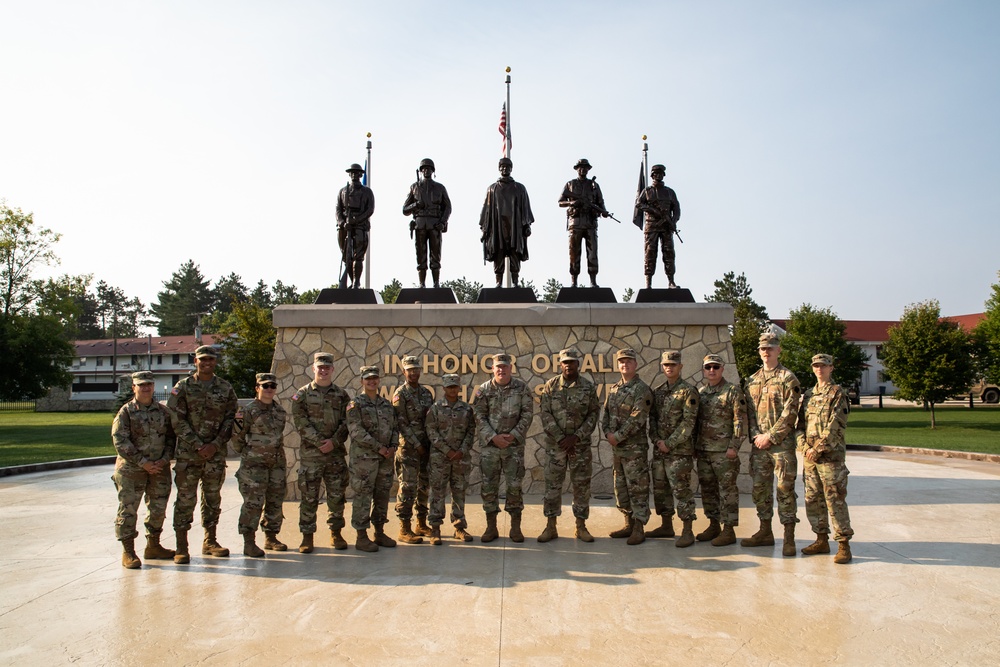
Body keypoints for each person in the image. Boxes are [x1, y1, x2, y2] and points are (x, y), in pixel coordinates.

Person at [168, 345, 238, 564]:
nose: (207, 362)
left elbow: (230, 419)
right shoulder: (183, 388)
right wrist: (199, 444)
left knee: (212, 499)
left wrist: (215, 445)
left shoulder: (225, 388)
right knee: (185, 499)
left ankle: (210, 541)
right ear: (195, 361)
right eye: (202, 359)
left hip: (215, 455)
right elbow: (176, 420)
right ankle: (181, 546)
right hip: (189, 455)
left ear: (215, 361)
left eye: (210, 359)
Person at [743, 332, 802, 557]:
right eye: (763, 349)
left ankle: (789, 537)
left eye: (771, 348)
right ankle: (765, 531)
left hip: (781, 445)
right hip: (759, 446)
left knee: (784, 490)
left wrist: (771, 436)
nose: (766, 352)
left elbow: (791, 412)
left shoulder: (788, 378)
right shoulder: (752, 379)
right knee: (760, 489)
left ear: (778, 351)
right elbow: (748, 412)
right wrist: (757, 436)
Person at [111, 371, 176, 569]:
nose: (146, 388)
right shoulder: (126, 412)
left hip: (158, 469)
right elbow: (120, 440)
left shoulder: (163, 412)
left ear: (153, 386)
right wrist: (143, 462)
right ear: (134, 388)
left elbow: (171, 439)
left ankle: (153, 546)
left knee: (158, 509)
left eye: (148, 384)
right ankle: (128, 551)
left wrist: (164, 460)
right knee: (128, 510)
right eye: (141, 385)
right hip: (131, 470)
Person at [795, 354, 854, 564]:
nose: (820, 368)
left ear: (831, 368)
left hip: (830, 458)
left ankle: (843, 544)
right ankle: (821, 539)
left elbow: (836, 426)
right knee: (813, 500)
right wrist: (804, 447)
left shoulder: (837, 393)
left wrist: (817, 449)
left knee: (834, 499)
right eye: (816, 365)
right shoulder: (809, 394)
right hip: (810, 458)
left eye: (824, 365)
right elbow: (799, 425)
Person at [537, 347, 601, 542]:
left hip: (579, 448)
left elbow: (593, 414)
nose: (568, 365)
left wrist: (577, 437)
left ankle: (581, 527)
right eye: (565, 362)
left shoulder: (588, 387)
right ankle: (550, 526)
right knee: (552, 487)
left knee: (581, 486)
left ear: (577, 364)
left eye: (571, 362)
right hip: (556, 448)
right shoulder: (550, 386)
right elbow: (545, 414)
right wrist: (562, 439)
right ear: (560, 364)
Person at [290, 352, 352, 553]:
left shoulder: (342, 395)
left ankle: (336, 533)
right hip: (312, 456)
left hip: (334, 456)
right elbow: (300, 422)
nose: (323, 370)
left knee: (336, 496)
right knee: (309, 497)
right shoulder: (302, 394)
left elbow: (347, 422)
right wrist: (319, 442)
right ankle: (307, 537)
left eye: (327, 367)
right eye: (320, 367)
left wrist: (333, 442)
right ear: (313, 369)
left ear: (333, 369)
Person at [472, 352, 534, 543]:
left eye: (504, 366)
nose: (501, 369)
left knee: (514, 487)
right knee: (489, 487)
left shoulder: (521, 389)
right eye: (498, 366)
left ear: (510, 368)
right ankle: (491, 527)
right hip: (490, 448)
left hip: (513, 447)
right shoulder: (483, 390)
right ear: (492, 368)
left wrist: (513, 435)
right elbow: (478, 415)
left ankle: (515, 528)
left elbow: (527, 414)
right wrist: (493, 437)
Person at [647, 350, 700, 547]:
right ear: (662, 367)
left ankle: (687, 530)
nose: (669, 367)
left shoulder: (688, 391)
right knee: (661, 490)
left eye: (673, 364)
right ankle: (666, 525)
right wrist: (656, 439)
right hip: (660, 451)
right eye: (666, 364)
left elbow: (688, 423)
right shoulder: (658, 391)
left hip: (679, 452)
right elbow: (651, 418)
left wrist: (669, 443)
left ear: (681, 367)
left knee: (681, 490)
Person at [231, 373, 287, 558]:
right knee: (253, 503)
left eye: (272, 385)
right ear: (257, 388)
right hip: (254, 467)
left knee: (275, 501)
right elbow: (237, 438)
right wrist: (251, 453)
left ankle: (271, 537)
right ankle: (249, 542)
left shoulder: (279, 412)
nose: (269, 389)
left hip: (276, 464)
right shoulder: (247, 411)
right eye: (265, 386)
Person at [694, 353, 747, 547]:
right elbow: (696, 422)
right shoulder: (701, 393)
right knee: (708, 490)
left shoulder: (732, 391)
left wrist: (734, 446)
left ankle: (729, 530)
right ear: (704, 370)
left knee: (727, 491)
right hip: (704, 451)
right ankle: (713, 524)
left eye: (716, 367)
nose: (712, 371)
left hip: (724, 452)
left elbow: (740, 421)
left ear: (722, 369)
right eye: (708, 367)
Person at [602, 348, 653, 545]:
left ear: (636, 364)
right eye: (622, 362)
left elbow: (638, 417)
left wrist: (618, 436)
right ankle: (628, 523)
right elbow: (605, 414)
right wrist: (608, 433)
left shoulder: (642, 389)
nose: (625, 364)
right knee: (621, 487)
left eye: (628, 361)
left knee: (637, 488)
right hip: (617, 449)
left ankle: (639, 527)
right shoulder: (614, 389)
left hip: (634, 450)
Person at [346, 365, 398, 552]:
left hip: (385, 459)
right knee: (363, 496)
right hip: (364, 460)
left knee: (382, 495)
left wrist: (392, 446)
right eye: (368, 379)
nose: (371, 381)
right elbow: (356, 431)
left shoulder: (386, 405)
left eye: (374, 378)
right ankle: (361, 536)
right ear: (362, 381)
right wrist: (380, 447)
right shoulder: (355, 404)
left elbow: (394, 428)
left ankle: (379, 532)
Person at [425, 373, 476, 545]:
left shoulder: (467, 409)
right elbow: (431, 431)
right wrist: (447, 451)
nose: (453, 389)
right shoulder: (435, 408)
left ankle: (459, 527)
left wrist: (461, 450)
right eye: (449, 387)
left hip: (461, 458)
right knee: (438, 492)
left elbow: (471, 432)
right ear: (444, 388)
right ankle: (435, 528)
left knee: (459, 492)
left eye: (455, 386)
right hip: (440, 458)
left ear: (459, 388)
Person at [392, 355, 434, 544]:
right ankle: (404, 527)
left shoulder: (426, 393)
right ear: (404, 372)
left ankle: (421, 523)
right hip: (408, 449)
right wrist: (416, 444)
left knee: (423, 486)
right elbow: (401, 422)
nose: (414, 372)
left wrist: (428, 443)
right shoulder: (400, 394)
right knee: (407, 487)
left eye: (416, 369)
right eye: (410, 369)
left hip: (425, 448)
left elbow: (431, 420)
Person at [479, 157, 534, 288]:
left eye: (507, 166)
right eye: (502, 167)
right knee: (498, 253)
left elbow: (525, 207)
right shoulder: (492, 189)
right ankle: (498, 282)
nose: (505, 169)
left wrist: (527, 225)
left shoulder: (520, 188)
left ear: (511, 169)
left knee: (515, 253)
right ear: (499, 169)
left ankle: (515, 281)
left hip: (515, 227)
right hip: (498, 227)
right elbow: (486, 210)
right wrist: (484, 230)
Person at [558, 158, 608, 288]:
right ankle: (574, 281)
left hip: (590, 223)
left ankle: (593, 281)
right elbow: (560, 202)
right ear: (577, 169)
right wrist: (571, 203)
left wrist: (603, 212)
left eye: (585, 168)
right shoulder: (570, 184)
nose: (583, 169)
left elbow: (601, 203)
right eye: (580, 167)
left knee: (592, 253)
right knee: (574, 253)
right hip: (575, 222)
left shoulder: (594, 186)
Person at [402, 158, 452, 288]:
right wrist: (416, 204)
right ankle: (422, 283)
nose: (426, 171)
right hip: (420, 224)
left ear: (432, 171)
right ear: (421, 171)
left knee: (436, 255)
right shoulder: (414, 187)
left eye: (429, 169)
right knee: (421, 255)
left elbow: (448, 207)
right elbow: (405, 209)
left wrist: (443, 221)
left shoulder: (440, 188)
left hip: (435, 224)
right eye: (424, 169)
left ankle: (436, 283)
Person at [636, 164, 681, 289]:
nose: (659, 175)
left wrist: (673, 221)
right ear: (652, 175)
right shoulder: (647, 191)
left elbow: (676, 209)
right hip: (651, 227)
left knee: (669, 254)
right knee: (650, 253)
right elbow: (639, 204)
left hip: (666, 227)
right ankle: (648, 282)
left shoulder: (669, 192)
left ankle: (671, 281)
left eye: (661, 173)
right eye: (656, 173)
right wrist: (653, 210)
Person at [336, 163, 375, 289]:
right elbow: (338, 210)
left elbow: (370, 209)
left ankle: (356, 282)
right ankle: (350, 281)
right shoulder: (343, 191)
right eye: (352, 172)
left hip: (360, 227)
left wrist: (357, 220)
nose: (354, 175)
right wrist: (343, 223)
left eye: (357, 173)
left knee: (358, 256)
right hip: (345, 227)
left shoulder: (367, 191)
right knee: (346, 256)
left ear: (360, 174)